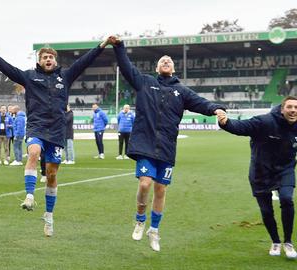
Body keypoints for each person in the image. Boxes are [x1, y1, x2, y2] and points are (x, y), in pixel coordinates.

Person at [0, 35, 112, 237]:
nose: (48, 59)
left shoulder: (65, 77)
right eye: (44, 57)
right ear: (39, 60)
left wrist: (103, 44)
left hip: (57, 131)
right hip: (37, 127)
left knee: (51, 174)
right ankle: (30, 196)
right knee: (33, 152)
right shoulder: (29, 77)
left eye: (51, 57)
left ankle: (49, 216)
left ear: (55, 61)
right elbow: (5, 67)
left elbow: (86, 60)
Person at [109, 36, 226, 252]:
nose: (166, 61)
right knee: (145, 183)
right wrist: (119, 46)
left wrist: (216, 108)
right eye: (162, 60)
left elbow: (201, 103)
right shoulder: (144, 82)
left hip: (166, 147)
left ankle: (154, 230)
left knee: (161, 189)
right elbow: (126, 67)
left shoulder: (181, 91)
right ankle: (140, 219)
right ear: (156, 67)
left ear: (173, 68)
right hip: (144, 143)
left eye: (169, 60)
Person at [217, 96, 297, 259]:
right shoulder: (265, 122)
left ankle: (288, 242)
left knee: (287, 199)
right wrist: (225, 122)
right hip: (260, 172)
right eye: (289, 107)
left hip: (285, 170)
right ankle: (275, 241)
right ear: (282, 110)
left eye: (296, 107)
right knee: (266, 211)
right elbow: (241, 127)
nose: (293, 110)